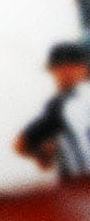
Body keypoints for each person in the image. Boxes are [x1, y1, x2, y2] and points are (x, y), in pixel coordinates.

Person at [15, 42, 90, 182]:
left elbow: (20, 145)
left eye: (70, 67)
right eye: (62, 67)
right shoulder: (62, 104)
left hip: (80, 188)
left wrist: (43, 154)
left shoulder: (63, 103)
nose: (66, 71)